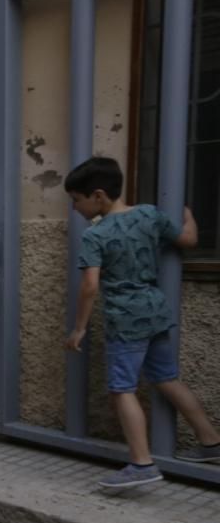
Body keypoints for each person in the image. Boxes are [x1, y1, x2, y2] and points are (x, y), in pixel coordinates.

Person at [63, 157, 220, 487]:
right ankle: (211, 441)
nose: (75, 207)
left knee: (122, 389)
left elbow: (90, 286)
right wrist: (188, 217)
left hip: (125, 319)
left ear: (99, 196)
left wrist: (79, 328)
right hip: (155, 310)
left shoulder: (96, 235)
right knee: (167, 379)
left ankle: (141, 462)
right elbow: (187, 240)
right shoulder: (149, 214)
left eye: (77, 200)